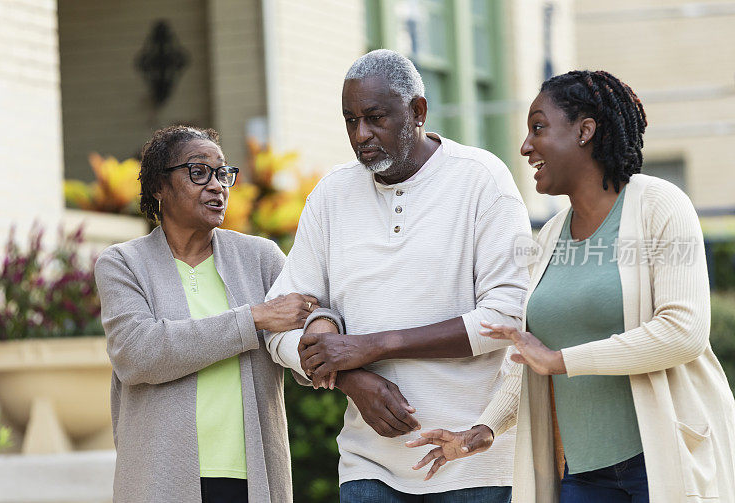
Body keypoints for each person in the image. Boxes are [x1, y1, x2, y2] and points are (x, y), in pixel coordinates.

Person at [407, 70, 735, 502]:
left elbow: (683, 332)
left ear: (585, 131)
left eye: (538, 127)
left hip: (659, 461)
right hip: (582, 475)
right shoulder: (548, 237)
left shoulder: (660, 205)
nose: (525, 146)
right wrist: (484, 428)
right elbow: (530, 355)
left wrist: (562, 360)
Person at [264, 49, 531, 502]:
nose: (361, 134)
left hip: (475, 468)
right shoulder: (332, 194)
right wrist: (350, 378)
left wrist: (375, 345)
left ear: (418, 111)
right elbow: (280, 324)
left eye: (375, 118)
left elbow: (508, 315)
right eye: (350, 120)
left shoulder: (482, 180)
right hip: (369, 469)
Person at [94, 126, 319, 502]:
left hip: (251, 479)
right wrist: (254, 319)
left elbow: (304, 329)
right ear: (158, 187)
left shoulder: (261, 259)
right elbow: (138, 354)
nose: (217, 186)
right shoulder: (124, 264)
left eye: (223, 173)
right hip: (160, 479)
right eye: (198, 172)